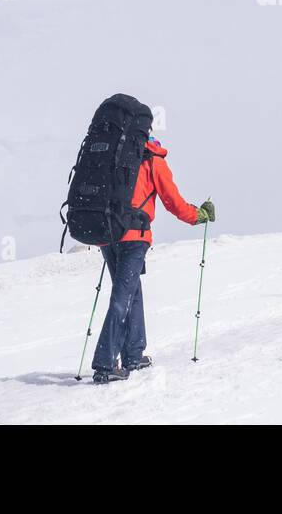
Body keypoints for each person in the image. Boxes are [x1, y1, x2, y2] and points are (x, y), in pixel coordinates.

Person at [92, 135, 215, 383]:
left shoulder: (110, 155)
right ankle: (105, 363)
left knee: (131, 290)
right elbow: (173, 202)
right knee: (123, 296)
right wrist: (199, 216)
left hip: (108, 235)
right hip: (135, 237)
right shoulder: (152, 158)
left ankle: (134, 354)